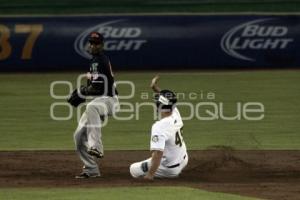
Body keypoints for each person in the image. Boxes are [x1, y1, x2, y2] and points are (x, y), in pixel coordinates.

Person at [73, 32, 119, 179]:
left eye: (96, 43)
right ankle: (91, 169)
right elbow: (95, 85)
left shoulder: (100, 60)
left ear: (102, 45)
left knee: (91, 107)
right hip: (100, 100)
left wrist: (81, 92)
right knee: (79, 137)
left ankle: (96, 147)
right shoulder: (95, 61)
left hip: (110, 101)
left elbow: (97, 89)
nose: (93, 45)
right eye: (91, 43)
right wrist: (87, 86)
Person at [129, 75, 188, 180]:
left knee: (133, 169)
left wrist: (150, 175)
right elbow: (169, 100)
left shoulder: (159, 126)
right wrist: (155, 88)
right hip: (184, 159)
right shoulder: (175, 112)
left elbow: (158, 153)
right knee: (155, 157)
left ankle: (157, 173)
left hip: (170, 169)